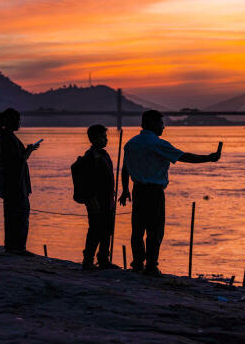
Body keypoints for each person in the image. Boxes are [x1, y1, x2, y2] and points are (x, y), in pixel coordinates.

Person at [119, 110, 221, 276]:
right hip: (154, 192)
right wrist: (209, 158)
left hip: (137, 190)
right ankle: (151, 265)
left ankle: (138, 263)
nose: (163, 127)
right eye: (161, 123)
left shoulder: (130, 144)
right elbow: (184, 157)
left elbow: (125, 169)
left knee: (137, 229)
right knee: (155, 230)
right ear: (152, 124)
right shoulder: (158, 144)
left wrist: (125, 190)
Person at [0, 108, 39, 256]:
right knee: (19, 216)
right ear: (11, 121)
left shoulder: (4, 137)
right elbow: (16, 162)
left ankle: (12, 246)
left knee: (12, 216)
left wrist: (26, 151)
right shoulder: (8, 138)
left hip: (11, 183)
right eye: (18, 120)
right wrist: (29, 151)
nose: (20, 123)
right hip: (15, 184)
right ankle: (18, 247)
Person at [80, 124, 121, 270]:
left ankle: (103, 259)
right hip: (96, 201)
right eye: (103, 137)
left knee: (107, 230)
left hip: (108, 200)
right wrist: (91, 199)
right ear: (94, 138)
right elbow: (87, 181)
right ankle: (88, 260)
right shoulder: (90, 156)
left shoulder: (104, 154)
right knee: (95, 230)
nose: (106, 140)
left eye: (106, 137)